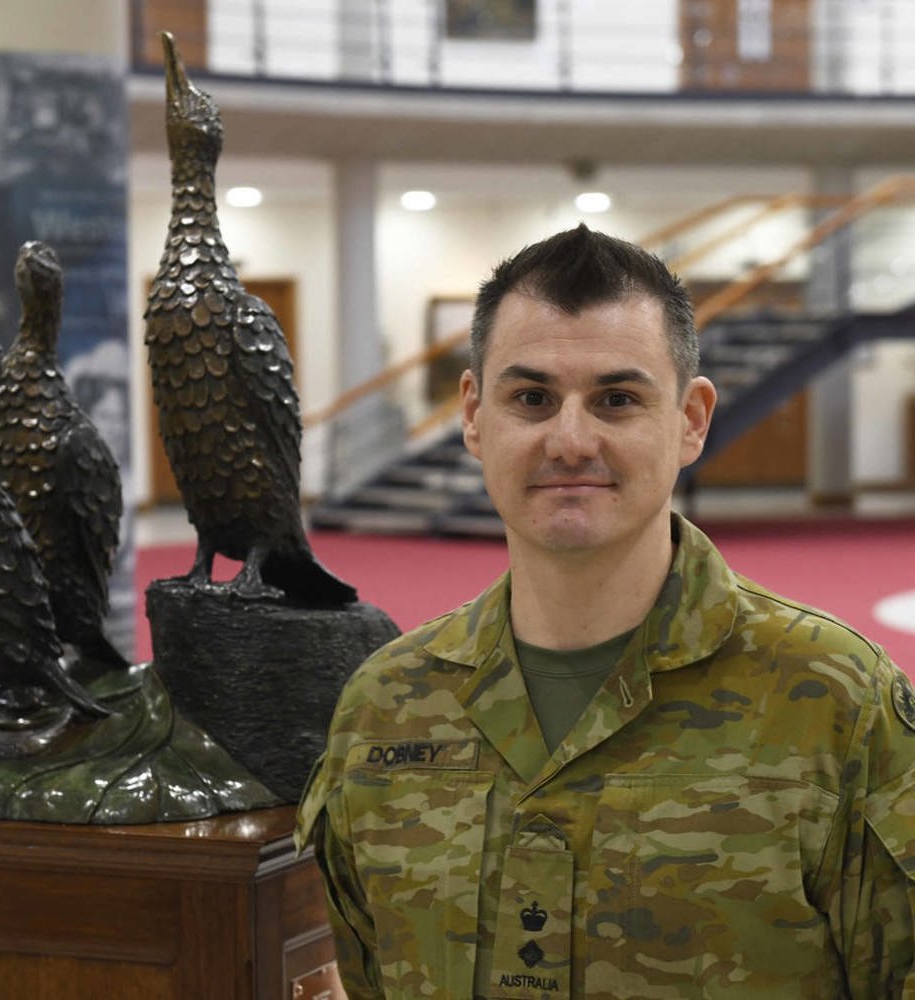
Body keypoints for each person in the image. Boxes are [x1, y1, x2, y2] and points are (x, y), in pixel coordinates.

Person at [296, 223, 915, 998]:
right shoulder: (386, 708)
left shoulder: (836, 703)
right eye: (532, 398)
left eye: (617, 399)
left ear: (690, 419)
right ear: (474, 415)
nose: (570, 440)